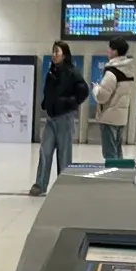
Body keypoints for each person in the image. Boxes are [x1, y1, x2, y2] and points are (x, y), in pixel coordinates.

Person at [30, 42, 88, 197]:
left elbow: (83, 91)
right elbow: (48, 90)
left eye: (57, 52)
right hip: (51, 118)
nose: (54, 55)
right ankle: (40, 185)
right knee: (45, 151)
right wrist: (46, 102)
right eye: (53, 52)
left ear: (64, 54)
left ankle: (64, 186)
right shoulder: (51, 72)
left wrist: (69, 102)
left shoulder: (72, 72)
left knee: (64, 154)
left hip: (64, 118)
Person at [93, 36, 136, 162]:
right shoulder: (129, 70)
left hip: (109, 117)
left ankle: (113, 178)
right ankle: (120, 176)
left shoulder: (112, 71)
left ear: (115, 51)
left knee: (110, 153)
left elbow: (102, 97)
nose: (108, 52)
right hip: (121, 117)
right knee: (117, 151)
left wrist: (96, 88)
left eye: (110, 49)